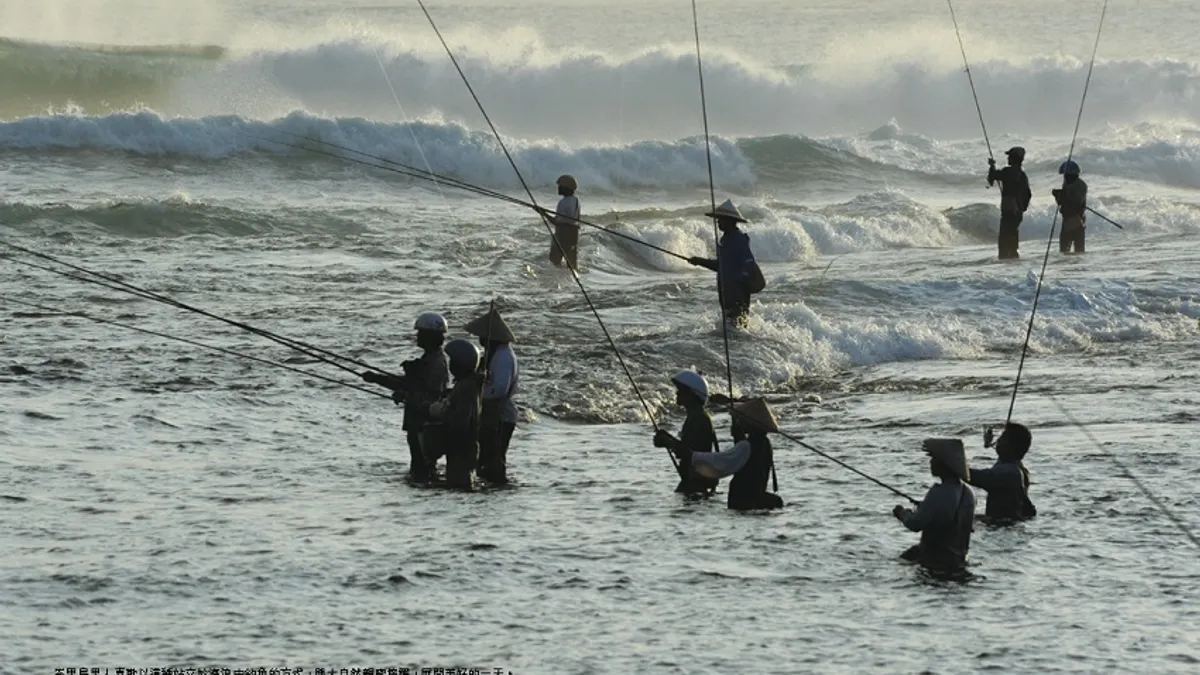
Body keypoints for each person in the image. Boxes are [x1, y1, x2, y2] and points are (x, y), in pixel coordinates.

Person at [360, 312, 450, 482]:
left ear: (430, 336)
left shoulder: (435, 362)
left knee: (421, 463)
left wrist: (400, 389)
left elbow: (428, 391)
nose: (417, 336)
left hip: (423, 421)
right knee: (419, 461)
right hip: (419, 419)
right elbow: (410, 384)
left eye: (421, 333)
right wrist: (378, 379)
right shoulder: (431, 359)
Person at [893, 438, 977, 574]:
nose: (931, 462)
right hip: (959, 561)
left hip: (934, 562)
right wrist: (925, 507)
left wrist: (902, 514)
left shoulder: (938, 492)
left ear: (945, 463)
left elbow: (915, 524)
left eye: (934, 459)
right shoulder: (969, 493)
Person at [464, 305, 519, 484]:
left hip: (501, 414)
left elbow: (500, 389)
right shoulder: (492, 353)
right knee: (487, 455)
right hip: (491, 413)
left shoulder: (503, 357)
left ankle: (497, 483)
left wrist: (476, 393)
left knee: (495, 457)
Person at [687, 199, 763, 326]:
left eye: (721, 219)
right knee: (733, 325)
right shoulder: (726, 239)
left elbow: (749, 262)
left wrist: (739, 280)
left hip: (737, 293)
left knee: (737, 325)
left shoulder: (738, 238)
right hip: (726, 292)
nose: (718, 222)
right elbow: (721, 266)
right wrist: (699, 261)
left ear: (730, 221)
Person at [427, 339, 484, 490]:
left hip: (463, 446)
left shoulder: (466, 388)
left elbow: (461, 420)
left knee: (459, 484)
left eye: (453, 361)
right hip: (461, 445)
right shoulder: (464, 384)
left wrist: (441, 412)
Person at [653, 370, 720, 496]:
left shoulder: (699, 418)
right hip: (695, 480)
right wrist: (668, 439)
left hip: (697, 482)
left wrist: (668, 441)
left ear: (691, 394)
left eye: (681, 391)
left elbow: (690, 452)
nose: (677, 393)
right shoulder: (696, 415)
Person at [971, 423, 1037, 523]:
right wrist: (988, 443)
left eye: (1002, 438)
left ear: (1012, 446)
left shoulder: (1008, 473)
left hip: (1002, 525)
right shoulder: (1018, 468)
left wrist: (952, 464)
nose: (998, 441)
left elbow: (976, 477)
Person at [726, 398, 784, 510]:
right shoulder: (764, 442)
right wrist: (739, 439)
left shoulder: (748, 445)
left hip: (745, 497)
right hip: (756, 493)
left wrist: (739, 439)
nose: (740, 422)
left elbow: (734, 462)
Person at [987, 147, 1033, 260]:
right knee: (1013, 236)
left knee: (1003, 240)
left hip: (1008, 210)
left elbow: (992, 178)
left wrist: (992, 166)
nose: (1008, 158)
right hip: (1017, 212)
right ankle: (1013, 260)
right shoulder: (1022, 175)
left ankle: (1005, 261)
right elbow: (1028, 194)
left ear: (1013, 159)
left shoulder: (1008, 172)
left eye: (1009, 156)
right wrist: (1022, 208)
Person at [1053, 160, 1088, 254]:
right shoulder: (1066, 184)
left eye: (1067, 175)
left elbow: (1075, 203)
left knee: (1079, 251)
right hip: (1067, 221)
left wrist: (1063, 196)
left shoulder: (1081, 185)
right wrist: (1058, 196)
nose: (1065, 177)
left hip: (1077, 221)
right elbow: (1062, 203)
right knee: (1064, 251)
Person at [548, 174, 582, 269]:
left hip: (563, 236)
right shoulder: (576, 200)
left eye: (560, 186)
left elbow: (557, 222)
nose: (558, 188)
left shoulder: (564, 202)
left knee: (554, 264)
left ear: (565, 188)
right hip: (574, 236)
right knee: (572, 266)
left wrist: (543, 214)